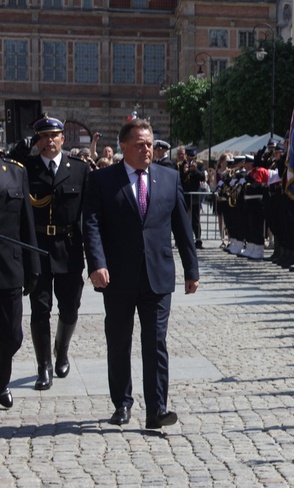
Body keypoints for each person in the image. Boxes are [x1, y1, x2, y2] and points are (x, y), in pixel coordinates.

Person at [82, 118, 199, 429]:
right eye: (140, 144)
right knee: (119, 341)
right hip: (117, 276)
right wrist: (96, 263)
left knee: (156, 342)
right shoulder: (103, 181)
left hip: (158, 275)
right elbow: (91, 225)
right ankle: (122, 402)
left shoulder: (169, 177)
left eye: (149, 143)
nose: (147, 149)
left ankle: (157, 409)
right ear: (124, 147)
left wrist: (192, 269)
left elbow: (182, 227)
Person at [10, 114, 89, 391]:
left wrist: (94, 258)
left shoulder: (78, 169)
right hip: (37, 249)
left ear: (63, 139)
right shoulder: (25, 168)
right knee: (39, 309)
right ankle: (43, 366)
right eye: (43, 136)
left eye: (54, 136)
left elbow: (87, 217)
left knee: (70, 307)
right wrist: (21, 148)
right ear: (37, 141)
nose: (49, 141)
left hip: (68, 249)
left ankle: (62, 350)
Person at [0, 154, 41, 408]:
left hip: (9, 268)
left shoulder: (16, 172)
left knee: (12, 335)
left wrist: (33, 267)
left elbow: (27, 221)